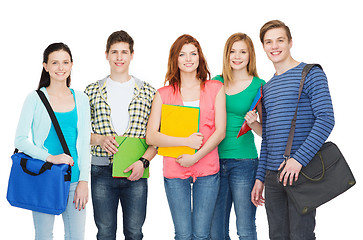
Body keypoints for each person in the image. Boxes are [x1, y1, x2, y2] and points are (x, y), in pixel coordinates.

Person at [251, 20, 335, 240]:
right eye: (268, 42)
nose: (274, 46)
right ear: (263, 46)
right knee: (277, 236)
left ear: (290, 42)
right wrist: (260, 177)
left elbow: (326, 119)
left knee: (301, 236)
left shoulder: (311, 73)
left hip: (302, 172)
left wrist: (298, 160)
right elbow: (268, 137)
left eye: (280, 40)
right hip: (272, 176)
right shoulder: (266, 88)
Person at [146, 34, 226, 240]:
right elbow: (151, 137)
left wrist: (195, 156)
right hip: (174, 169)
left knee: (201, 234)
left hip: (207, 167)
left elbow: (220, 131)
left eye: (193, 53)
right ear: (175, 59)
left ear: (200, 57)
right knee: (182, 234)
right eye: (182, 54)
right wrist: (185, 142)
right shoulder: (163, 94)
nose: (188, 58)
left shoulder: (215, 88)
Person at [84, 30, 157, 240]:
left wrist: (143, 162)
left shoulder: (148, 92)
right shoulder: (91, 91)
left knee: (134, 233)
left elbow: (156, 137)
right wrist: (99, 139)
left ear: (132, 55)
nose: (119, 57)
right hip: (101, 170)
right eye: (114, 52)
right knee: (105, 232)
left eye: (124, 52)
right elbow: (78, 133)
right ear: (106, 54)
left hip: (136, 171)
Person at [14, 42, 91, 239]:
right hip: (45, 177)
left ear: (72, 65)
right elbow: (20, 140)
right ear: (45, 66)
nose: (60, 67)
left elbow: (84, 143)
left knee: (76, 236)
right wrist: (50, 157)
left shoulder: (81, 98)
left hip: (74, 179)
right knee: (44, 235)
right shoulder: (35, 98)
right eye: (55, 62)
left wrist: (83, 180)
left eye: (65, 62)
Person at [210, 33, 265, 240]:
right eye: (233, 51)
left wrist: (253, 123)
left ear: (250, 55)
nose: (237, 56)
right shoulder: (216, 82)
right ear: (226, 54)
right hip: (214, 161)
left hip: (245, 162)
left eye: (243, 51)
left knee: (245, 228)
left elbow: (264, 132)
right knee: (216, 230)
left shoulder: (259, 85)